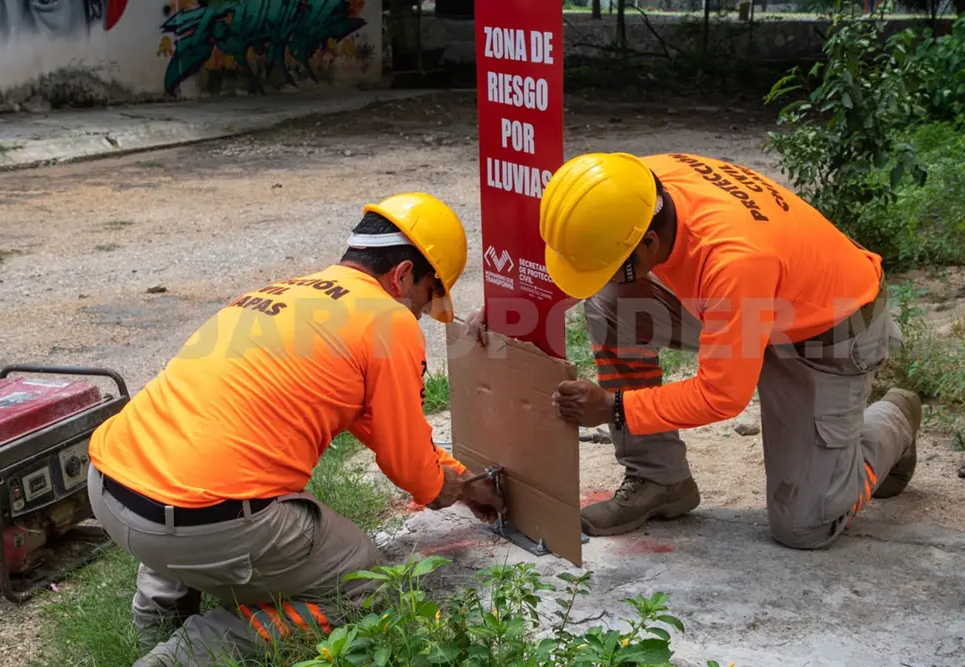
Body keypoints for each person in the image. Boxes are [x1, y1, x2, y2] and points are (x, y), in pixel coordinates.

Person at [86, 192, 504, 667]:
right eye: (426, 299)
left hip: (110, 491)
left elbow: (377, 426)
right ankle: (182, 656)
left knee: (188, 466)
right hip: (200, 523)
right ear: (403, 275)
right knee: (362, 581)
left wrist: (456, 475)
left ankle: (156, 615)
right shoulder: (387, 321)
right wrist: (452, 487)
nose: (419, 315)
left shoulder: (281, 293)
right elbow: (409, 464)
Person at [470, 152, 921, 550]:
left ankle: (893, 420)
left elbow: (723, 395)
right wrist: (517, 301)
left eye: (613, 265)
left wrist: (615, 407)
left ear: (647, 243)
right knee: (613, 303)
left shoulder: (734, 260)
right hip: (751, 304)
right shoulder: (636, 188)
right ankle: (659, 478)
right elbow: (588, 250)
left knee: (808, 526)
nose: (604, 273)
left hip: (827, 333)